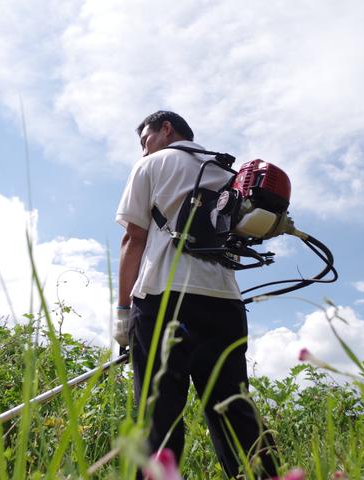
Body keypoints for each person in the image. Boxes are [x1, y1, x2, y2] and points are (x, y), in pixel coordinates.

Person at [114, 111, 277, 479]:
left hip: (163, 297)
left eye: (145, 140)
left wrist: (123, 313)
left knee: (158, 414)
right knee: (233, 409)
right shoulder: (229, 173)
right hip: (225, 305)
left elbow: (133, 238)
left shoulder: (152, 165)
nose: (143, 150)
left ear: (165, 129)